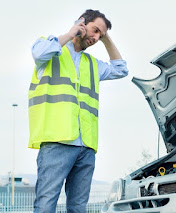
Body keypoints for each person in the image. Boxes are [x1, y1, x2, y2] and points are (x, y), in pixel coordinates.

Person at [28, 9, 128, 212]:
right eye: (95, 30)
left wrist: (107, 39)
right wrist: (71, 33)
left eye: (100, 35)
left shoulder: (92, 64)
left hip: (86, 146)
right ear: (81, 23)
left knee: (78, 207)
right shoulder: (52, 49)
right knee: (46, 204)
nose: (96, 37)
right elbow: (38, 53)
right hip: (57, 142)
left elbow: (121, 69)